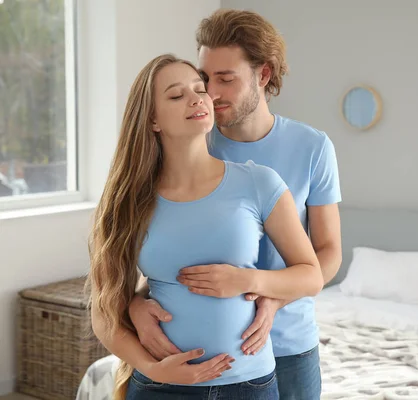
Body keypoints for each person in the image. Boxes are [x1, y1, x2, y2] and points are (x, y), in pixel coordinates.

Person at [128, 9, 343, 400]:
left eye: (225, 79)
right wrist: (134, 304)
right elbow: (163, 242)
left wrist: (272, 299)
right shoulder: (192, 136)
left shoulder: (312, 148)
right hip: (194, 354)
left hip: (289, 341)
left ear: (263, 75)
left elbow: (326, 254)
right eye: (205, 78)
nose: (209, 93)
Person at [87, 54, 324, 400]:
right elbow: (103, 312)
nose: (198, 98)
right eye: (176, 95)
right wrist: (152, 367)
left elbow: (311, 276)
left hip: (249, 386)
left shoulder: (259, 183)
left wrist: (247, 280)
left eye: (200, 89)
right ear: (152, 119)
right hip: (158, 387)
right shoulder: (128, 200)